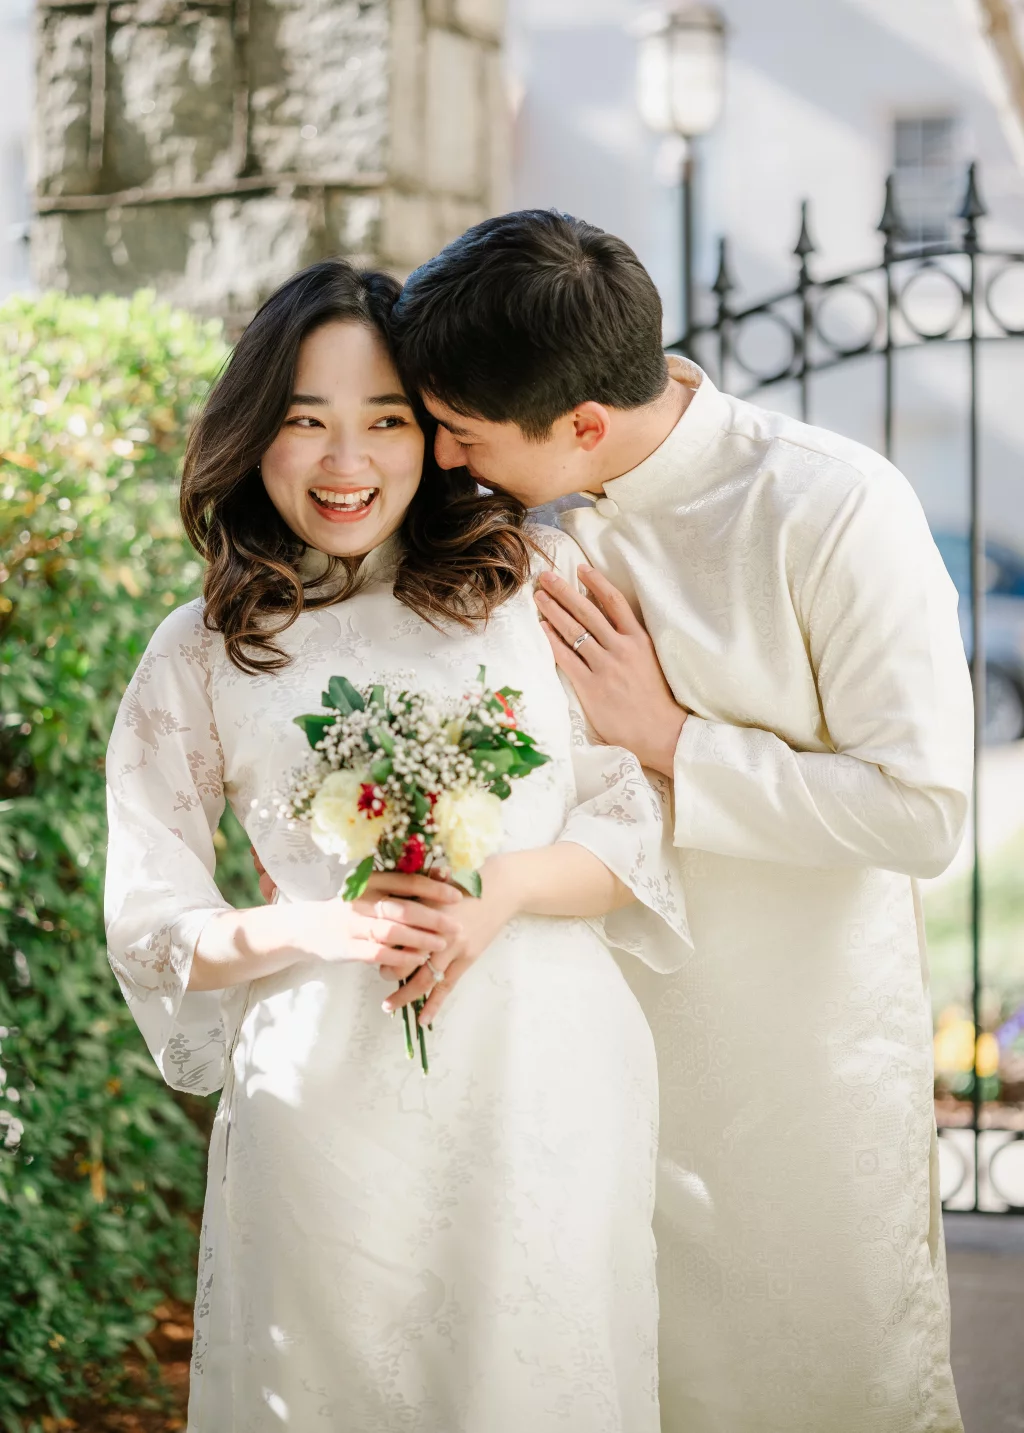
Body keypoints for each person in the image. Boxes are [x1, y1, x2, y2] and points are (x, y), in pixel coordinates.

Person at [388, 210, 975, 1433]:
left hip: (787, 1059)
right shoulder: (499, 520)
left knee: (803, 1372)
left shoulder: (831, 506)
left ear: (584, 425)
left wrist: (672, 740)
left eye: (463, 432)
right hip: (572, 1047)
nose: (441, 459)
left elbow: (921, 814)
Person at [103, 260, 691, 1431]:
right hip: (322, 1106)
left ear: (436, 436)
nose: (345, 462)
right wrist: (309, 924)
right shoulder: (205, 645)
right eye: (304, 421)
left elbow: (635, 821)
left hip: (545, 1075)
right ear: (251, 432)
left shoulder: (534, 583)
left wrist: (499, 890)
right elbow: (151, 917)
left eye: (385, 421)